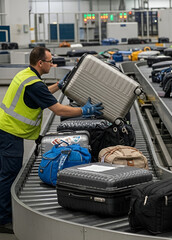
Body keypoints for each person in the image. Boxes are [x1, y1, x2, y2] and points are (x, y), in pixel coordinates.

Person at [0, 47, 103, 234]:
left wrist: (58, 85)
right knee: (8, 175)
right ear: (40, 63)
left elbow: (41, 93)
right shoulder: (34, 84)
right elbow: (59, 109)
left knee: (5, 173)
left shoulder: (26, 74)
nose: (52, 64)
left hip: (6, 129)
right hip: (10, 133)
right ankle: (3, 220)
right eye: (50, 61)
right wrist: (84, 111)